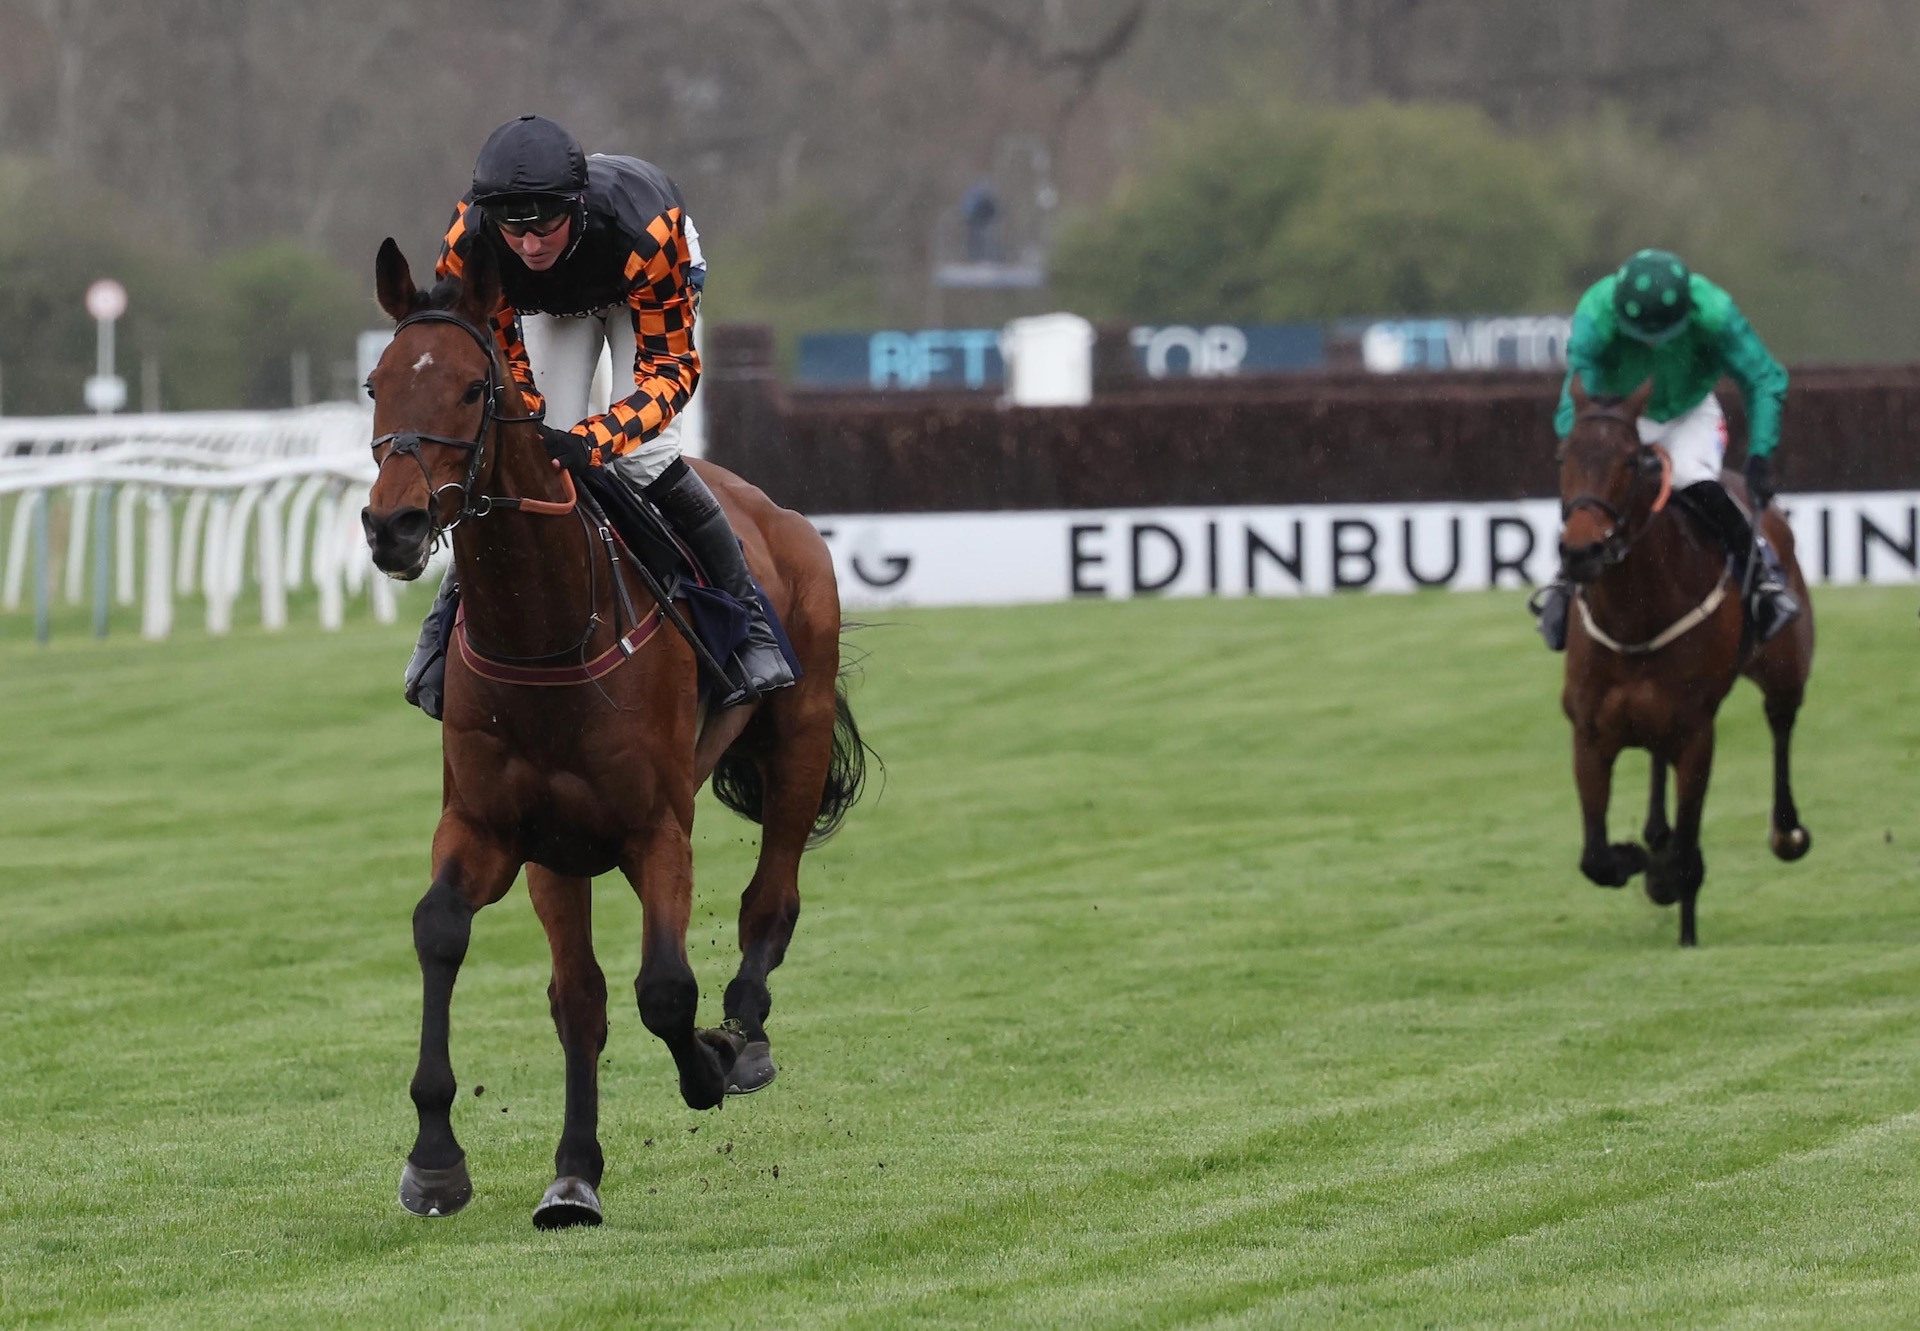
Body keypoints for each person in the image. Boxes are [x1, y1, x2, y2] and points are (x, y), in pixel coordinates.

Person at [401, 114, 796, 717]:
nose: (530, 245)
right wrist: (535, 430)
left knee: (645, 457)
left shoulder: (649, 233)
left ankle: (750, 627)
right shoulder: (469, 247)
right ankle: (440, 630)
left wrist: (592, 440)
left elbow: (671, 373)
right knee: (523, 462)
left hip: (639, 287)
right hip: (546, 307)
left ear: (576, 207)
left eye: (546, 227)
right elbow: (499, 366)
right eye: (515, 230)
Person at [1532, 249, 1800, 651]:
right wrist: (1577, 443)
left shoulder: (1715, 311)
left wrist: (1761, 453)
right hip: (1621, 412)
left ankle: (1762, 581)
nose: (1652, 345)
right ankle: (1564, 585)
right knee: (1595, 486)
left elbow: (1764, 379)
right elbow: (1578, 387)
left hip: (1690, 411)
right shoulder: (1595, 311)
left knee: (1694, 478)